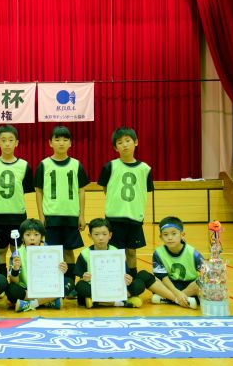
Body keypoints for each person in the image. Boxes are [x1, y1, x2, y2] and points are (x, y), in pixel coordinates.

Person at [34, 126, 88, 296]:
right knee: (51, 252)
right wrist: (41, 216)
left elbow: (81, 191)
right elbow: (38, 191)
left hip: (71, 215)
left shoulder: (76, 165)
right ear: (50, 143)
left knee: (69, 251)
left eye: (65, 139)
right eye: (57, 139)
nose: (61, 143)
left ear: (70, 143)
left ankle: (70, 285)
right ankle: (53, 285)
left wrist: (82, 215)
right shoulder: (44, 164)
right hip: (51, 216)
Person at [97, 127, 153, 274]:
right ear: (115, 147)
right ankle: (114, 279)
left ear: (136, 142)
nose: (125, 145)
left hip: (134, 216)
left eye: (128, 141)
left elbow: (145, 190)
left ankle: (132, 279)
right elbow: (105, 188)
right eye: (120, 142)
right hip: (114, 217)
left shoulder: (145, 169)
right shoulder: (110, 166)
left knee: (132, 252)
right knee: (115, 252)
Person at [0, 125, 34, 277]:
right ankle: (1, 278)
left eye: (11, 140)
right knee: (0, 249)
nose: (7, 143)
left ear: (16, 143)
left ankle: (16, 277)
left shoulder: (24, 165)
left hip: (18, 215)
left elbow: (26, 191)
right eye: (3, 140)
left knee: (16, 249)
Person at [74, 218, 156, 308]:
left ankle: (99, 302)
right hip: (96, 288)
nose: (100, 238)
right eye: (96, 234)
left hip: (115, 288)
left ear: (110, 235)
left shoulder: (116, 252)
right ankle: (121, 301)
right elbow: (81, 277)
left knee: (139, 285)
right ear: (90, 236)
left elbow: (125, 274)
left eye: (104, 234)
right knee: (80, 286)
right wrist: (84, 277)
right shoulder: (85, 254)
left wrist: (128, 279)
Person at [7, 219, 67, 312]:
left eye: (36, 235)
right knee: (11, 290)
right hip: (26, 289)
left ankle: (31, 304)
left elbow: (57, 277)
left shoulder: (51, 252)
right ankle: (47, 301)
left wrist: (63, 269)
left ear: (41, 237)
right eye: (28, 235)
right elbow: (14, 281)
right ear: (22, 238)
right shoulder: (17, 255)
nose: (32, 238)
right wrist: (16, 269)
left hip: (46, 287)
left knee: (66, 283)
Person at [148, 216, 201, 309]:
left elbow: (206, 273)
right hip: (170, 286)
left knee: (201, 282)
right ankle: (183, 300)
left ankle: (169, 299)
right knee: (145, 276)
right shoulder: (158, 253)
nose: (170, 238)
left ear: (182, 235)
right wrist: (177, 293)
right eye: (165, 234)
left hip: (189, 286)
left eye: (174, 234)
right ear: (161, 237)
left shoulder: (193, 253)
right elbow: (163, 278)